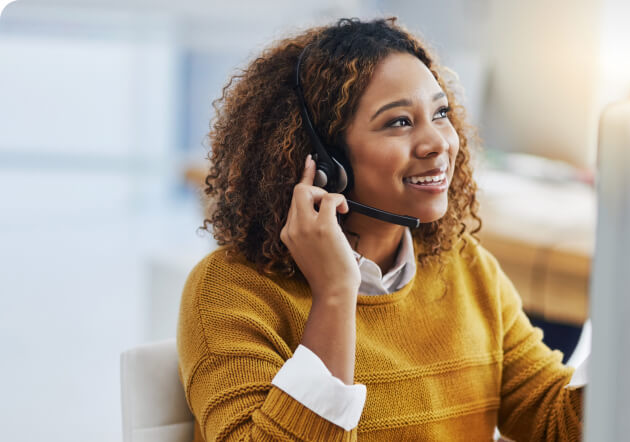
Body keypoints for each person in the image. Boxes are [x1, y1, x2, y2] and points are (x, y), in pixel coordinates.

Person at [177, 17, 583, 442]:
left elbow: (556, 421)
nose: (438, 143)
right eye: (399, 122)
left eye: (440, 113)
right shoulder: (231, 291)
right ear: (323, 160)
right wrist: (334, 294)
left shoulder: (465, 266)